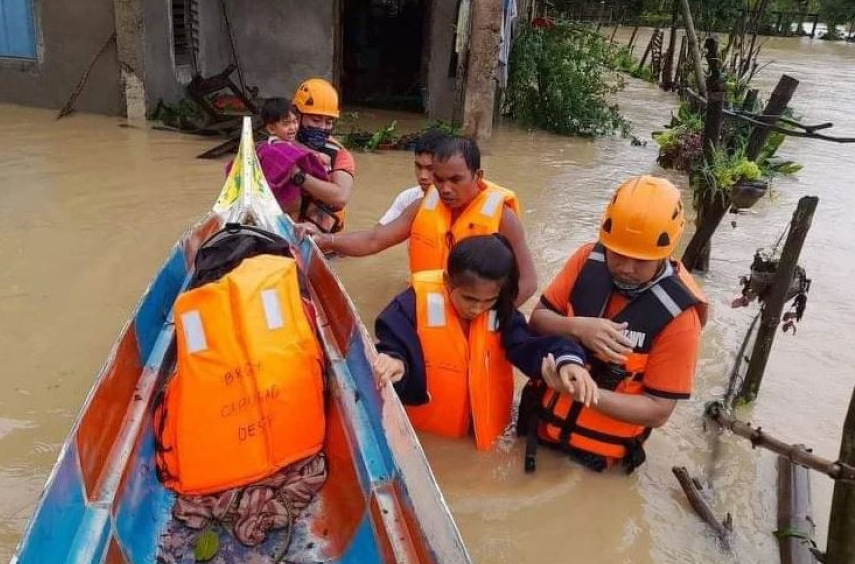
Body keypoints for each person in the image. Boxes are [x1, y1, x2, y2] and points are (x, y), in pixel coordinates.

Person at [522, 175, 708, 474]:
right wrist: (578, 327)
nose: (626, 269)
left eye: (641, 261)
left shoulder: (681, 317)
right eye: (618, 254)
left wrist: (580, 392)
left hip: (598, 462)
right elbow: (539, 320)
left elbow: (658, 411)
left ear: (665, 252)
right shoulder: (586, 260)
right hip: (539, 431)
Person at [372, 234, 597, 452]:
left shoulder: (502, 313)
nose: (477, 309)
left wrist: (566, 359)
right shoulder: (410, 305)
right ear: (447, 281)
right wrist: (396, 362)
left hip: (483, 440)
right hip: (426, 440)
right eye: (469, 298)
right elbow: (394, 344)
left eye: (488, 301)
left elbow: (529, 347)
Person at [300, 136, 538, 306]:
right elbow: (375, 239)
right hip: (429, 308)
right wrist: (327, 240)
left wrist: (493, 320)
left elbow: (528, 282)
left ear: (478, 176)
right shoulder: (424, 204)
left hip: (476, 311)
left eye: (456, 180)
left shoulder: (502, 217)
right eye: (440, 179)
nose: (445, 189)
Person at [288, 78, 356, 233]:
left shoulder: (340, 155)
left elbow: (340, 196)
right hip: (281, 227)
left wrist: (298, 175)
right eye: (316, 120)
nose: (322, 127)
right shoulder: (277, 146)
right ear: (298, 116)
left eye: (329, 122)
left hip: (319, 237)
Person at [377, 129, 446, 226]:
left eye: (430, 168)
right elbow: (378, 234)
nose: (423, 176)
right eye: (418, 166)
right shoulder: (407, 198)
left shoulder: (455, 202)